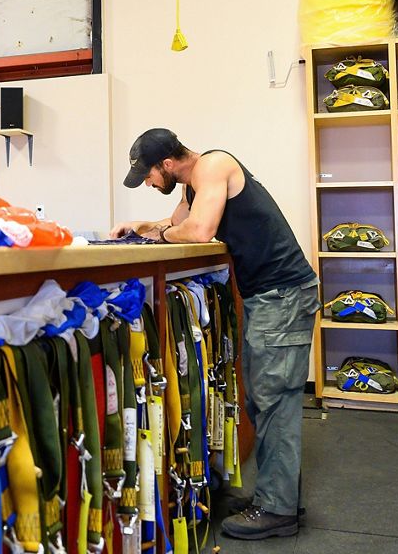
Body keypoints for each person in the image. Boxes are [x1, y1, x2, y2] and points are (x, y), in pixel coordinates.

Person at [111, 128, 319, 541]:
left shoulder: (214, 164)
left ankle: (278, 511)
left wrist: (166, 233)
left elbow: (198, 231)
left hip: (283, 296)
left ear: (167, 164)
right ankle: (274, 496)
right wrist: (143, 226)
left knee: (274, 401)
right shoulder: (192, 186)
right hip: (268, 296)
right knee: (261, 401)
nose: (150, 184)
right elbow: (177, 224)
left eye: (150, 176)